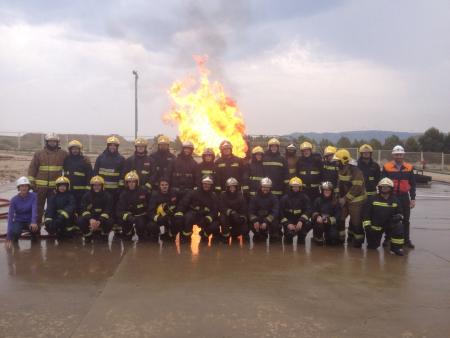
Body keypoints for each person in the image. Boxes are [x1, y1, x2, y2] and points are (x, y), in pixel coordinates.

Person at [27, 132, 67, 225]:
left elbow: (73, 159)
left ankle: (51, 227)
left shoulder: (63, 154)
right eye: (50, 141)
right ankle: (35, 227)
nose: (52, 143)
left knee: (52, 208)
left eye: (54, 141)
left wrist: (84, 157)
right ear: (46, 142)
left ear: (58, 142)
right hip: (39, 187)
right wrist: (32, 184)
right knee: (38, 208)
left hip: (54, 188)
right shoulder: (39, 154)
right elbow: (32, 169)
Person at [382, 145, 416, 249]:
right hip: (391, 197)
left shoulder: (409, 167)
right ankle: (388, 239)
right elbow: (383, 183)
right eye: (397, 155)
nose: (399, 156)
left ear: (403, 155)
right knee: (389, 218)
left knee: (406, 219)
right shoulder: (386, 167)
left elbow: (412, 184)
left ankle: (406, 240)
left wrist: (413, 198)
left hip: (404, 197)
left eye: (400, 154)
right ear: (393, 155)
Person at [334, 149, 367, 248]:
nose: (336, 163)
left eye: (337, 161)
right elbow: (338, 183)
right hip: (344, 200)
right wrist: (337, 197)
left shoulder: (355, 171)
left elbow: (356, 188)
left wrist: (345, 199)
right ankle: (341, 239)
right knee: (340, 219)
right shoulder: (340, 169)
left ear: (343, 160)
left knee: (356, 222)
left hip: (356, 201)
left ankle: (358, 241)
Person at [362, 178, 405, 256]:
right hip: (375, 227)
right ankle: (373, 241)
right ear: (379, 188)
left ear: (391, 188)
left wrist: (398, 217)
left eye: (387, 187)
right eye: (383, 186)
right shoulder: (372, 199)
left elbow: (401, 213)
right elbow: (366, 214)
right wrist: (367, 227)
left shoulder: (395, 200)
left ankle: (396, 248)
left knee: (399, 226)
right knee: (372, 247)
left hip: (390, 225)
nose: (385, 188)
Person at [177, 176, 220, 243]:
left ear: (211, 185)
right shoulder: (193, 193)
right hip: (194, 214)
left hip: (205, 216)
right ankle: (186, 237)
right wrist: (179, 212)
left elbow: (215, 210)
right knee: (188, 218)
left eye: (208, 184)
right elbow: (184, 203)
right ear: (201, 184)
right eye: (205, 183)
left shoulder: (213, 196)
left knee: (215, 225)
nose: (206, 185)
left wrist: (208, 218)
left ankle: (204, 235)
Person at [116, 171, 153, 241]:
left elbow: (150, 204)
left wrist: (147, 214)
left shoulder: (144, 191)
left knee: (141, 225)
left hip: (141, 215)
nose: (131, 184)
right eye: (129, 182)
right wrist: (128, 217)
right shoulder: (123, 194)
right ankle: (128, 232)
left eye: (133, 182)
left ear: (137, 182)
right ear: (126, 183)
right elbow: (119, 210)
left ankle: (142, 233)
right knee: (123, 222)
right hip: (130, 216)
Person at [93, 136, 125, 213]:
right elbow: (95, 172)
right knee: (103, 204)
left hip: (115, 189)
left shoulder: (121, 159)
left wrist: (120, 187)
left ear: (117, 147)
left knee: (114, 204)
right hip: (102, 188)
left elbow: (122, 174)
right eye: (111, 145)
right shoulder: (101, 157)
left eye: (114, 145)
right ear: (108, 146)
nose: (112, 147)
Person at [5, 177, 39, 247]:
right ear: (18, 187)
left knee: (35, 229)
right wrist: (9, 236)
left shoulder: (34, 196)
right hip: (19, 220)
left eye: (26, 186)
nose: (24, 188)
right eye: (22, 186)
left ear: (28, 187)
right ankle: (15, 243)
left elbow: (34, 210)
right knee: (15, 232)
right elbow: (10, 217)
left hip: (30, 220)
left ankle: (34, 242)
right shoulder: (13, 200)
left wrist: (33, 222)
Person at [78, 175, 113, 242]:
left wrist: (100, 220)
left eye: (99, 185)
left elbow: (108, 210)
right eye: (95, 185)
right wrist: (90, 219)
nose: (97, 187)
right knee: (80, 221)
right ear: (92, 186)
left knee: (110, 221)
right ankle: (88, 235)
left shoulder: (107, 196)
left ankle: (104, 234)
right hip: (91, 217)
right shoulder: (86, 195)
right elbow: (83, 209)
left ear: (102, 186)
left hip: (102, 218)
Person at [279, 177, 312, 244]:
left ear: (300, 187)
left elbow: (308, 210)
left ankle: (301, 246)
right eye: (294, 186)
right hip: (289, 222)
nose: (295, 188)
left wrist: (301, 221)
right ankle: (287, 250)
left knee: (305, 229)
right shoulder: (285, 198)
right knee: (289, 235)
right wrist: (287, 224)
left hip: (300, 222)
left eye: (297, 187)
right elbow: (280, 213)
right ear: (290, 187)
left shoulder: (305, 198)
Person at [63, 140, 92, 213]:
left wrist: (88, 189)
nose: (75, 151)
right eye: (73, 149)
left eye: (76, 149)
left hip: (81, 191)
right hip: (69, 190)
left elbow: (90, 175)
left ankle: (79, 222)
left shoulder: (85, 160)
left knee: (80, 207)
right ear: (70, 150)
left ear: (79, 150)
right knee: (70, 207)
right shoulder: (66, 160)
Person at [248, 177, 280, 242]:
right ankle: (258, 234)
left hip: (269, 220)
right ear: (261, 187)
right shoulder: (254, 198)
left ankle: (274, 237)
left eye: (267, 187)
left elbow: (275, 212)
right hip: (258, 220)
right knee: (259, 239)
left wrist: (266, 221)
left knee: (276, 224)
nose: (266, 189)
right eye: (264, 187)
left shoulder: (274, 198)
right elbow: (250, 211)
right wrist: (255, 220)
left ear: (270, 188)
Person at [148, 177, 179, 241]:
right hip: (159, 218)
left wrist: (171, 214)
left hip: (170, 216)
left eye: (166, 185)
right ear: (159, 186)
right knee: (152, 226)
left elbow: (178, 205)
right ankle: (159, 234)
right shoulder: (154, 195)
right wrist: (158, 218)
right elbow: (150, 211)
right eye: (162, 185)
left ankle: (172, 234)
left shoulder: (174, 193)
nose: (164, 186)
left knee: (178, 221)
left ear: (169, 185)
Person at [219, 177, 249, 242]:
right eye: (230, 187)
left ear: (236, 187)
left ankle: (233, 234)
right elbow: (221, 207)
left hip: (237, 217)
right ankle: (225, 236)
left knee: (245, 228)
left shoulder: (241, 195)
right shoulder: (223, 195)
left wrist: (242, 218)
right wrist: (231, 212)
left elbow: (244, 208)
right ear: (227, 187)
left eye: (234, 187)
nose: (232, 189)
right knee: (222, 217)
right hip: (227, 218)